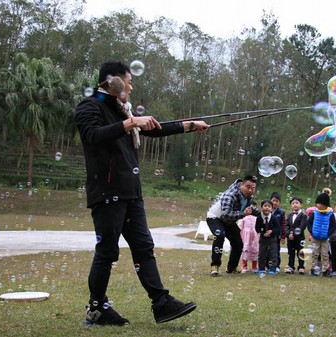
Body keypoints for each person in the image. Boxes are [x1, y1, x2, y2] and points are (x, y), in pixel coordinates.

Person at [75, 61, 208, 325]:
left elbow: (154, 129)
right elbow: (92, 135)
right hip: (107, 191)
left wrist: (190, 124)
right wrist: (131, 122)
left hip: (130, 192)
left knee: (144, 247)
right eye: (129, 80)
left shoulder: (121, 111)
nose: (131, 86)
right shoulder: (90, 106)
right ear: (114, 83)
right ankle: (97, 308)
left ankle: (161, 303)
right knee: (107, 251)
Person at [206, 175, 260, 276]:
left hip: (228, 221)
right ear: (241, 185)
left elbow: (251, 209)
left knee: (238, 243)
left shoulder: (248, 197)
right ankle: (215, 266)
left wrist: (262, 215)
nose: (250, 190)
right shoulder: (230, 195)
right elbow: (226, 213)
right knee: (219, 236)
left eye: (253, 188)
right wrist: (243, 213)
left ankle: (232, 268)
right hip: (215, 217)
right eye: (248, 187)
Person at [307, 192, 336, 276]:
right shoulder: (314, 213)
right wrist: (312, 232)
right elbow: (309, 223)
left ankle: (326, 270)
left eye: (319, 203)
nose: (317, 205)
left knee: (325, 254)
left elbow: (333, 226)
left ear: (325, 204)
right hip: (315, 237)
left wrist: (328, 234)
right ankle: (313, 269)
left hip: (325, 238)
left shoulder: (330, 214)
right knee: (315, 254)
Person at [255, 199, 280, 274]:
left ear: (272, 209)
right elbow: (257, 228)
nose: (267, 207)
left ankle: (273, 269)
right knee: (261, 254)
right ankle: (261, 268)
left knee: (273, 254)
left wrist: (271, 231)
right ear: (261, 207)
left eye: (269, 206)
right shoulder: (259, 218)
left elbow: (277, 228)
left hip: (272, 239)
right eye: (265, 206)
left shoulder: (273, 218)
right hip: (263, 239)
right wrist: (263, 233)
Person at [285, 197, 308, 275]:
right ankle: (291, 266)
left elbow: (302, 226)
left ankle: (301, 267)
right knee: (291, 253)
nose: (295, 204)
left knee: (300, 252)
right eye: (293, 203)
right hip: (290, 238)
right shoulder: (290, 215)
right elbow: (286, 225)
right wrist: (288, 234)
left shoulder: (303, 215)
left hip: (300, 238)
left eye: (297, 203)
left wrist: (294, 234)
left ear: (301, 205)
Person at [239, 201, 259, 273]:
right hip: (246, 237)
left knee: (255, 250)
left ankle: (254, 267)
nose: (249, 210)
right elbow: (241, 227)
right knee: (245, 250)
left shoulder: (256, 218)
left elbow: (258, 227)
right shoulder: (243, 218)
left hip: (254, 237)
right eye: (247, 208)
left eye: (251, 208)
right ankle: (244, 266)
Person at [270, 192, 286, 273]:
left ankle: (276, 266)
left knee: (276, 251)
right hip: (267, 235)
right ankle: (267, 265)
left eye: (277, 201)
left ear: (279, 203)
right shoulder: (266, 211)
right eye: (273, 200)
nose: (275, 202)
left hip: (276, 236)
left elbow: (283, 225)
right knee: (267, 251)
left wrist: (283, 236)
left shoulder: (281, 212)